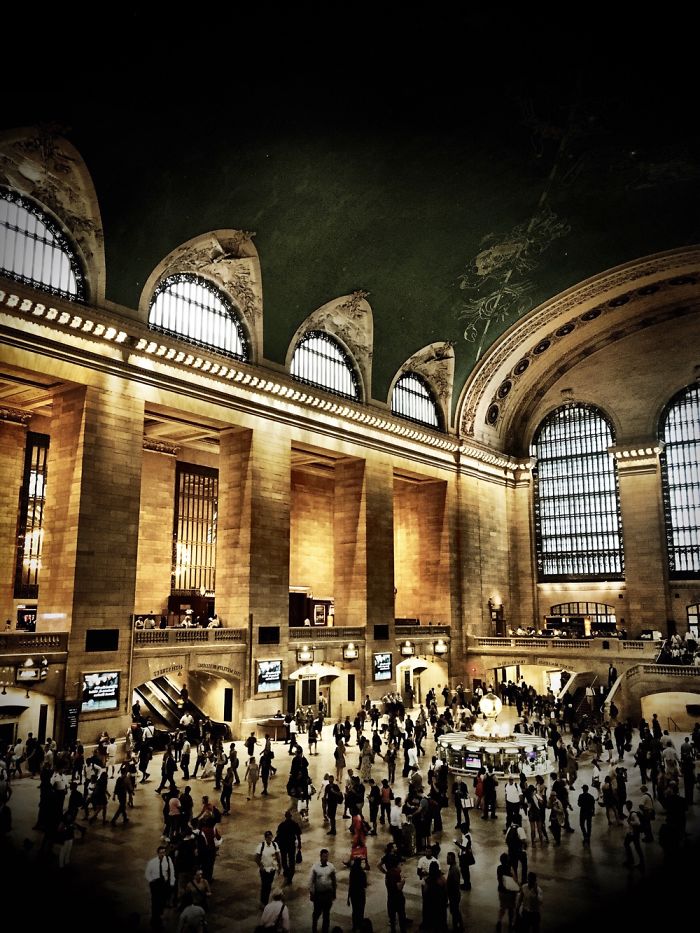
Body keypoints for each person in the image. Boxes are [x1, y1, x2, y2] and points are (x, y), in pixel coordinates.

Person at [145, 845, 176, 932]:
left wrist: (172, 882)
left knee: (162, 900)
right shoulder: (152, 862)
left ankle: (159, 913)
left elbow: (172, 870)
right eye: (161, 853)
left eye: (164, 852)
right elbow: (147, 873)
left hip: (164, 884)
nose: (163, 854)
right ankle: (155, 918)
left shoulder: (168, 860)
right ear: (158, 853)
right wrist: (152, 882)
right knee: (155, 902)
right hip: (155, 884)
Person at [309, 848, 337, 933]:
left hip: (328, 894)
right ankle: (314, 927)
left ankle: (325, 930)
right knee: (317, 912)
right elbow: (311, 881)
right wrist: (311, 893)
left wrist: (334, 892)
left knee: (326, 914)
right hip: (319, 894)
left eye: (327, 856)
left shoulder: (331, 867)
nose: (326, 858)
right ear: (320, 856)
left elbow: (334, 879)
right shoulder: (315, 867)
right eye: (324, 856)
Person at [255, 830, 282, 907]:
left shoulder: (274, 845)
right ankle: (263, 901)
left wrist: (280, 867)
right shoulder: (261, 846)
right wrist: (261, 866)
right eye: (268, 838)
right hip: (264, 870)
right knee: (264, 885)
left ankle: (265, 901)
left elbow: (278, 856)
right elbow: (256, 858)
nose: (270, 839)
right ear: (265, 838)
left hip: (272, 869)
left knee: (269, 885)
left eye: (271, 838)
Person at [275, 810, 302, 884]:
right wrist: (299, 844)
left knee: (284, 859)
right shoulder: (294, 824)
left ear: (285, 816)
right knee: (292, 860)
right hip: (291, 845)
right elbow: (298, 835)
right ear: (291, 816)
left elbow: (278, 836)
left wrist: (274, 843)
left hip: (283, 845)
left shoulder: (282, 825)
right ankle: (290, 875)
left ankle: (286, 871)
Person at [347, 856, 368, 933]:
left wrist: (348, 898)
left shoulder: (352, 872)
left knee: (355, 910)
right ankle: (360, 924)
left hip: (353, 894)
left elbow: (350, 885)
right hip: (360, 893)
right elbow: (365, 885)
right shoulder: (362, 873)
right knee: (361, 910)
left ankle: (354, 926)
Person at [446, 850, 464, 930]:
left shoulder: (454, 870)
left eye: (448, 858)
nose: (447, 860)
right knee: (455, 911)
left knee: (455, 911)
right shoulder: (452, 868)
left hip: (454, 894)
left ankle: (456, 927)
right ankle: (459, 925)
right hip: (454, 894)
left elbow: (456, 884)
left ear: (452, 859)